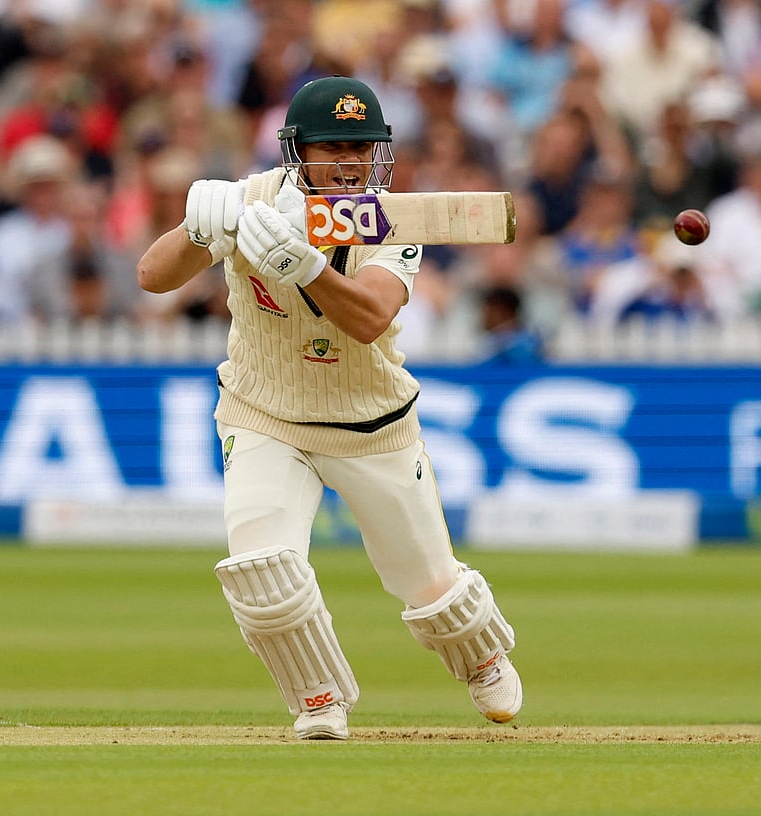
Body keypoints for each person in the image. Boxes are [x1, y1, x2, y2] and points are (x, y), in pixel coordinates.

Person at [136, 76, 522, 740]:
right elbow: (152, 276)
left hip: (372, 424)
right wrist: (202, 227)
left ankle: (481, 654)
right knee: (263, 570)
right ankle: (319, 698)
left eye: (363, 146)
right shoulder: (253, 199)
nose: (351, 161)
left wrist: (301, 263)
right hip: (265, 414)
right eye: (335, 146)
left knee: (431, 589)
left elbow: (370, 316)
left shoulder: (391, 220)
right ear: (299, 152)